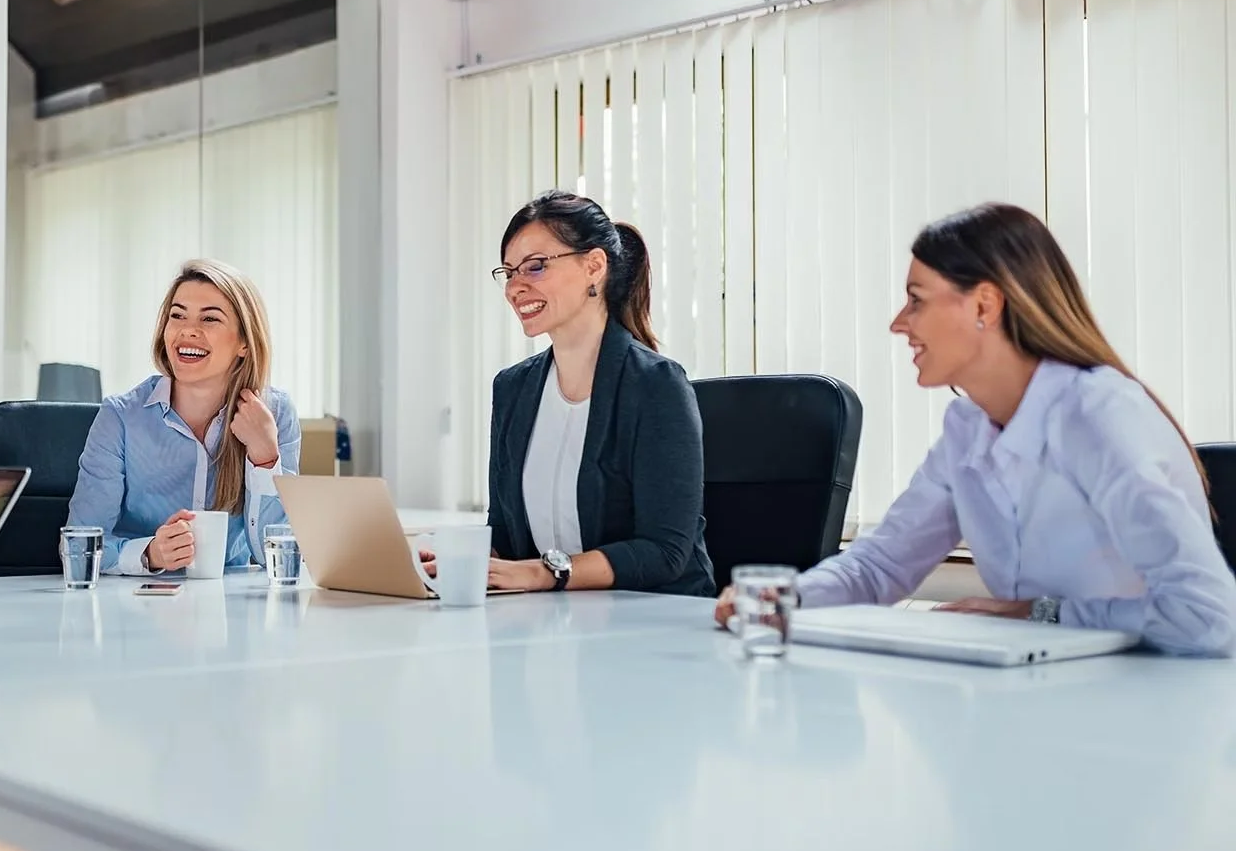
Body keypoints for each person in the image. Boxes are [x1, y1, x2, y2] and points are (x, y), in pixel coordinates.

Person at [713, 202, 1236, 656]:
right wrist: (785, 597)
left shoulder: (1099, 415)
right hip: (1042, 698)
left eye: (916, 298)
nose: (900, 322)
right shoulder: (967, 429)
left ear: (985, 305)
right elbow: (880, 567)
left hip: (1153, 713)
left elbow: (1208, 616)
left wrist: (1041, 614)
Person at [65, 258, 300, 851]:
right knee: (194, 712)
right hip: (138, 624)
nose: (187, 332)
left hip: (235, 626)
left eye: (209, 318)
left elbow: (283, 550)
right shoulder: (123, 416)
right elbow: (80, 540)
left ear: (242, 343)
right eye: (177, 315)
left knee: (236, 705)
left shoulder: (274, 413)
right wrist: (145, 552)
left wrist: (263, 455)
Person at [479, 191, 714, 598]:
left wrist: (545, 573)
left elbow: (665, 550)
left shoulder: (656, 385)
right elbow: (503, 529)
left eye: (534, 268)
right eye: (508, 272)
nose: (514, 288)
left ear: (594, 266)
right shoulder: (513, 389)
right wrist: (461, 564)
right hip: (555, 620)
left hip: (655, 623)